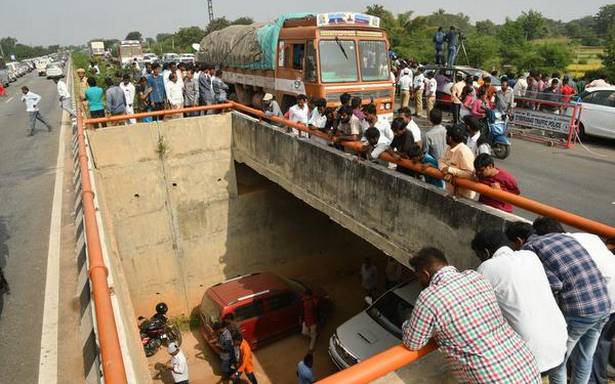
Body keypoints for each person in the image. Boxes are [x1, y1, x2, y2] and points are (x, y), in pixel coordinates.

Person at [402, 247, 541, 383]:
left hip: (493, 376)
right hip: (525, 364)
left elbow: (413, 343)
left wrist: (407, 324)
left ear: (425, 274)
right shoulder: (476, 277)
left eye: (417, 275)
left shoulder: (429, 297)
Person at [506, 222, 611, 384]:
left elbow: (555, 284)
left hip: (579, 311)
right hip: (603, 304)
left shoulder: (530, 250)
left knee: (558, 359)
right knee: (585, 356)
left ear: (519, 241)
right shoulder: (563, 238)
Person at [471, 230, 568, 375]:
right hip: (560, 344)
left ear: (485, 252)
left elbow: (474, 310)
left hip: (530, 357)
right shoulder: (530, 256)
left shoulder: (487, 268)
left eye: (480, 257)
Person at [439, 124, 477, 200]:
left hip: (464, 196)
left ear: (450, 138)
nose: (445, 137)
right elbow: (441, 161)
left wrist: (451, 171)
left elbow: (470, 174)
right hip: (451, 192)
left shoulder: (464, 152)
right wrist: (446, 170)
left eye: (446, 135)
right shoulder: (449, 148)